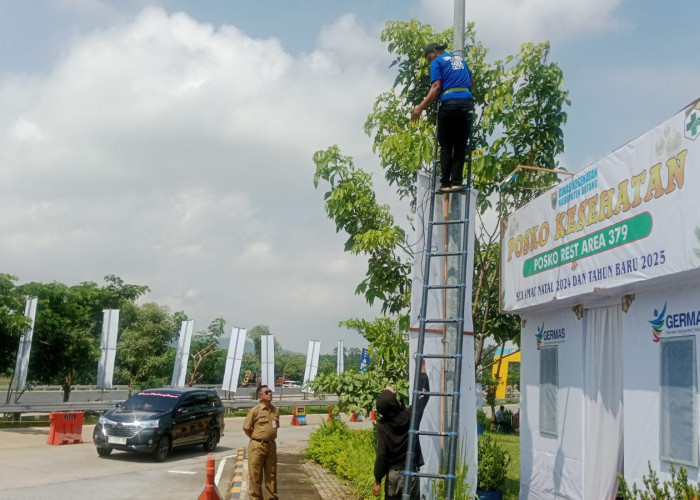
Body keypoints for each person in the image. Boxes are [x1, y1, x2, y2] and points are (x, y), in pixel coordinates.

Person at [411, 42, 474, 193]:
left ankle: (445, 183)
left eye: (429, 58)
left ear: (435, 52)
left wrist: (420, 108)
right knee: (460, 145)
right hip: (466, 103)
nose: (430, 62)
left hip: (449, 104)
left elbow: (436, 87)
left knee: (446, 145)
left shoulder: (437, 62)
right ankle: (457, 182)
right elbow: (471, 81)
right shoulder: (460, 60)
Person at [373, 362, 430, 500]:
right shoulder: (410, 416)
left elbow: (381, 454)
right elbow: (422, 395)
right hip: (410, 472)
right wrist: (422, 369)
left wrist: (378, 480)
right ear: (393, 403)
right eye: (395, 397)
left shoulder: (383, 426)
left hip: (393, 475)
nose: (398, 398)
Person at [243, 384, 280, 500]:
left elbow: (275, 427)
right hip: (257, 446)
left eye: (270, 392)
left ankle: (271, 498)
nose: (270, 394)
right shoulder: (255, 411)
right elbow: (246, 428)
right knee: (255, 475)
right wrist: (256, 439)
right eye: (267, 392)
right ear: (260, 396)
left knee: (271, 475)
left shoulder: (275, 410)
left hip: (271, 446)